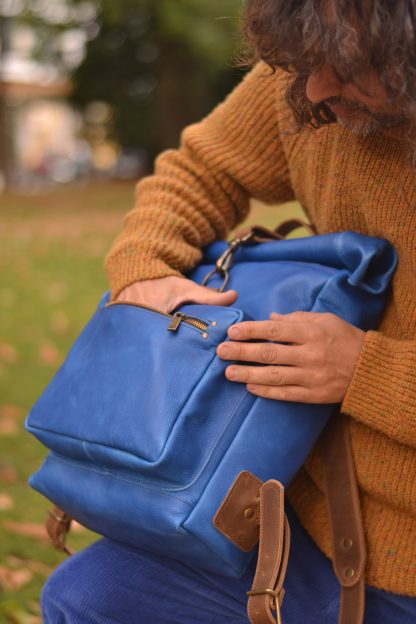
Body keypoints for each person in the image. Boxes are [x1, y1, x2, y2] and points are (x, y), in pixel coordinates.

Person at [41, 0, 416, 622]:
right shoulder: (311, 59)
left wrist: (367, 372)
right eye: (303, 64)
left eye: (347, 66)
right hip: (298, 523)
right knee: (87, 599)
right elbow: (202, 168)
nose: (314, 90)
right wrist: (144, 265)